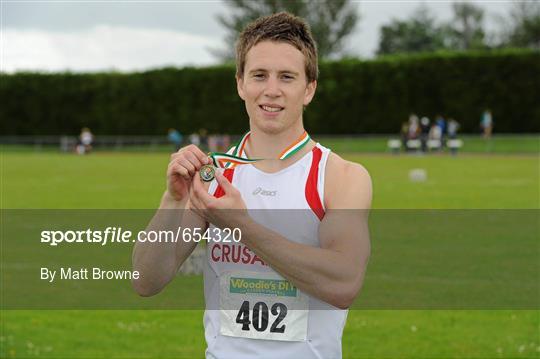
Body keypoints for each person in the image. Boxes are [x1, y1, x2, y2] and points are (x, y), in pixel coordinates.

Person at [132, 12, 372, 359]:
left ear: (308, 89)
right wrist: (172, 200)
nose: (271, 90)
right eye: (259, 75)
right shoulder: (212, 176)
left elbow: (344, 283)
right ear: (241, 83)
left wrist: (242, 226)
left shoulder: (341, 177)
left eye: (287, 77)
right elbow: (145, 280)